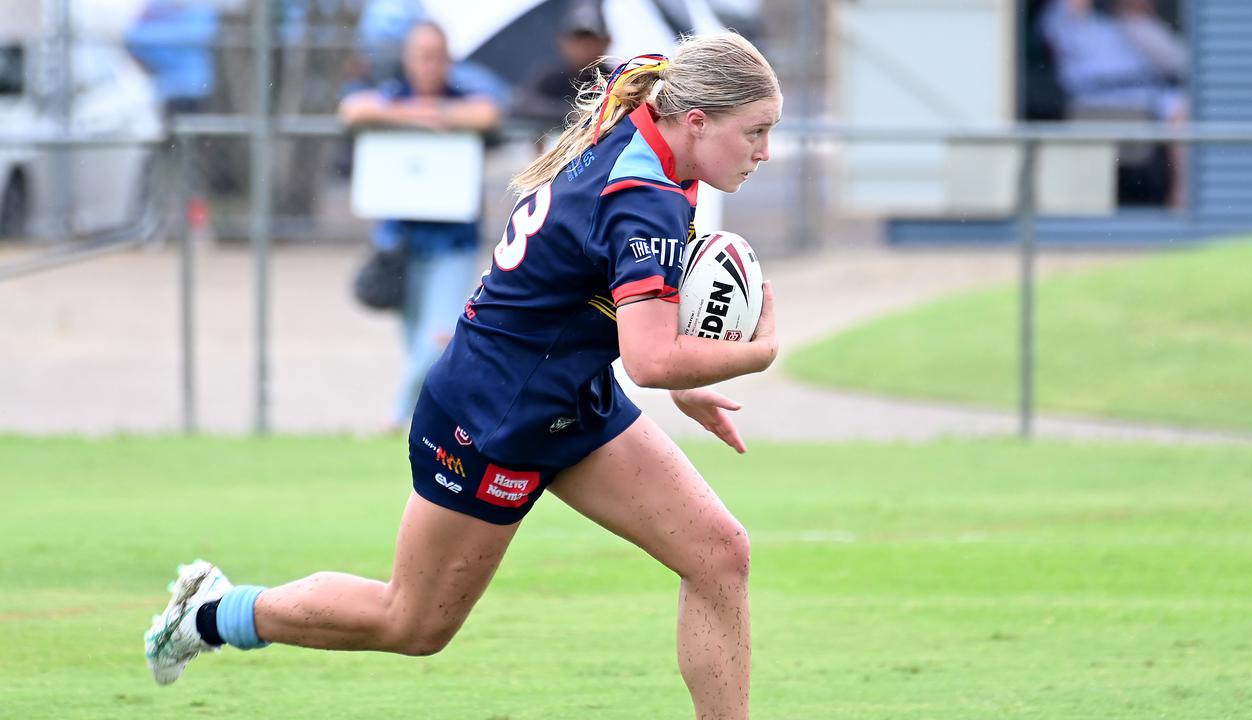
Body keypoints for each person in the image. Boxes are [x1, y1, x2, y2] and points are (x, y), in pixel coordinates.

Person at [145, 31, 781, 719]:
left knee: (720, 554)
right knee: (411, 624)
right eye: (756, 131)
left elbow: (628, 300)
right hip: (492, 417)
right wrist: (759, 351)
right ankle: (212, 614)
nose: (765, 151)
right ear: (697, 121)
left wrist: (686, 380)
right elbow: (651, 359)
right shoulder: (644, 193)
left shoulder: (650, 136)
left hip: (568, 396)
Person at [337, 22, 506, 429]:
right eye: (421, 55)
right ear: (408, 59)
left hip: (452, 243)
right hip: (401, 242)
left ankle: (398, 416)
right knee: (415, 338)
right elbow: (353, 109)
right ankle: (428, 420)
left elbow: (488, 112)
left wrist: (441, 115)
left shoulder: (463, 96)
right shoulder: (394, 94)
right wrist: (414, 116)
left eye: (437, 55)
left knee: (439, 337)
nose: (429, 65)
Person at [1039, 0, 1189, 207]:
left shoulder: (1122, 25)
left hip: (1146, 97)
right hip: (1097, 100)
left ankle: (1182, 195)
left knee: (1183, 107)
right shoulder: (1063, 22)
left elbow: (1181, 62)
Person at [511, 1, 615, 138]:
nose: (582, 47)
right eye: (577, 39)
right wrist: (573, 113)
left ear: (606, 42)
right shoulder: (550, 77)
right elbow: (522, 106)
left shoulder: (615, 78)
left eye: (590, 40)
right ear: (561, 41)